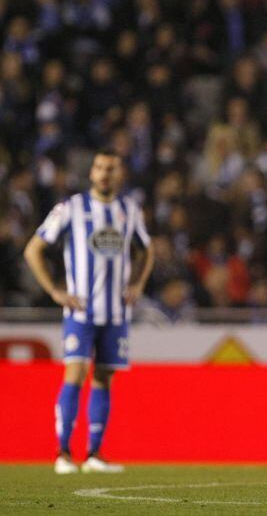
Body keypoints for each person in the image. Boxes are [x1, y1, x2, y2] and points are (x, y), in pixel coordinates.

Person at [24, 149, 155, 474]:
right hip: (81, 312)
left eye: (110, 168)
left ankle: (94, 454)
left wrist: (137, 284)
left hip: (115, 313)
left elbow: (146, 250)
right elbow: (34, 249)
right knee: (76, 373)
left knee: (104, 378)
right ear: (92, 173)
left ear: (119, 173)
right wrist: (55, 290)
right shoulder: (71, 208)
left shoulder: (129, 210)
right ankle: (63, 453)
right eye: (99, 168)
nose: (104, 173)